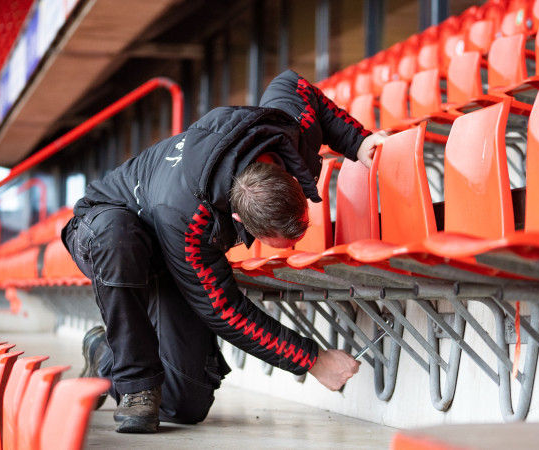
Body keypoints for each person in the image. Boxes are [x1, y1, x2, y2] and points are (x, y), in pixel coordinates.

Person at [63, 69, 387, 433]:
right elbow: (225, 310)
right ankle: (135, 381)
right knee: (117, 237)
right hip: (107, 226)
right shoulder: (192, 221)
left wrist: (359, 141)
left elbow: (292, 83)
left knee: (187, 404)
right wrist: (311, 359)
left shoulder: (283, 133)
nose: (296, 245)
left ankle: (102, 354)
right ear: (238, 219)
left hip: (170, 251)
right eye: (286, 240)